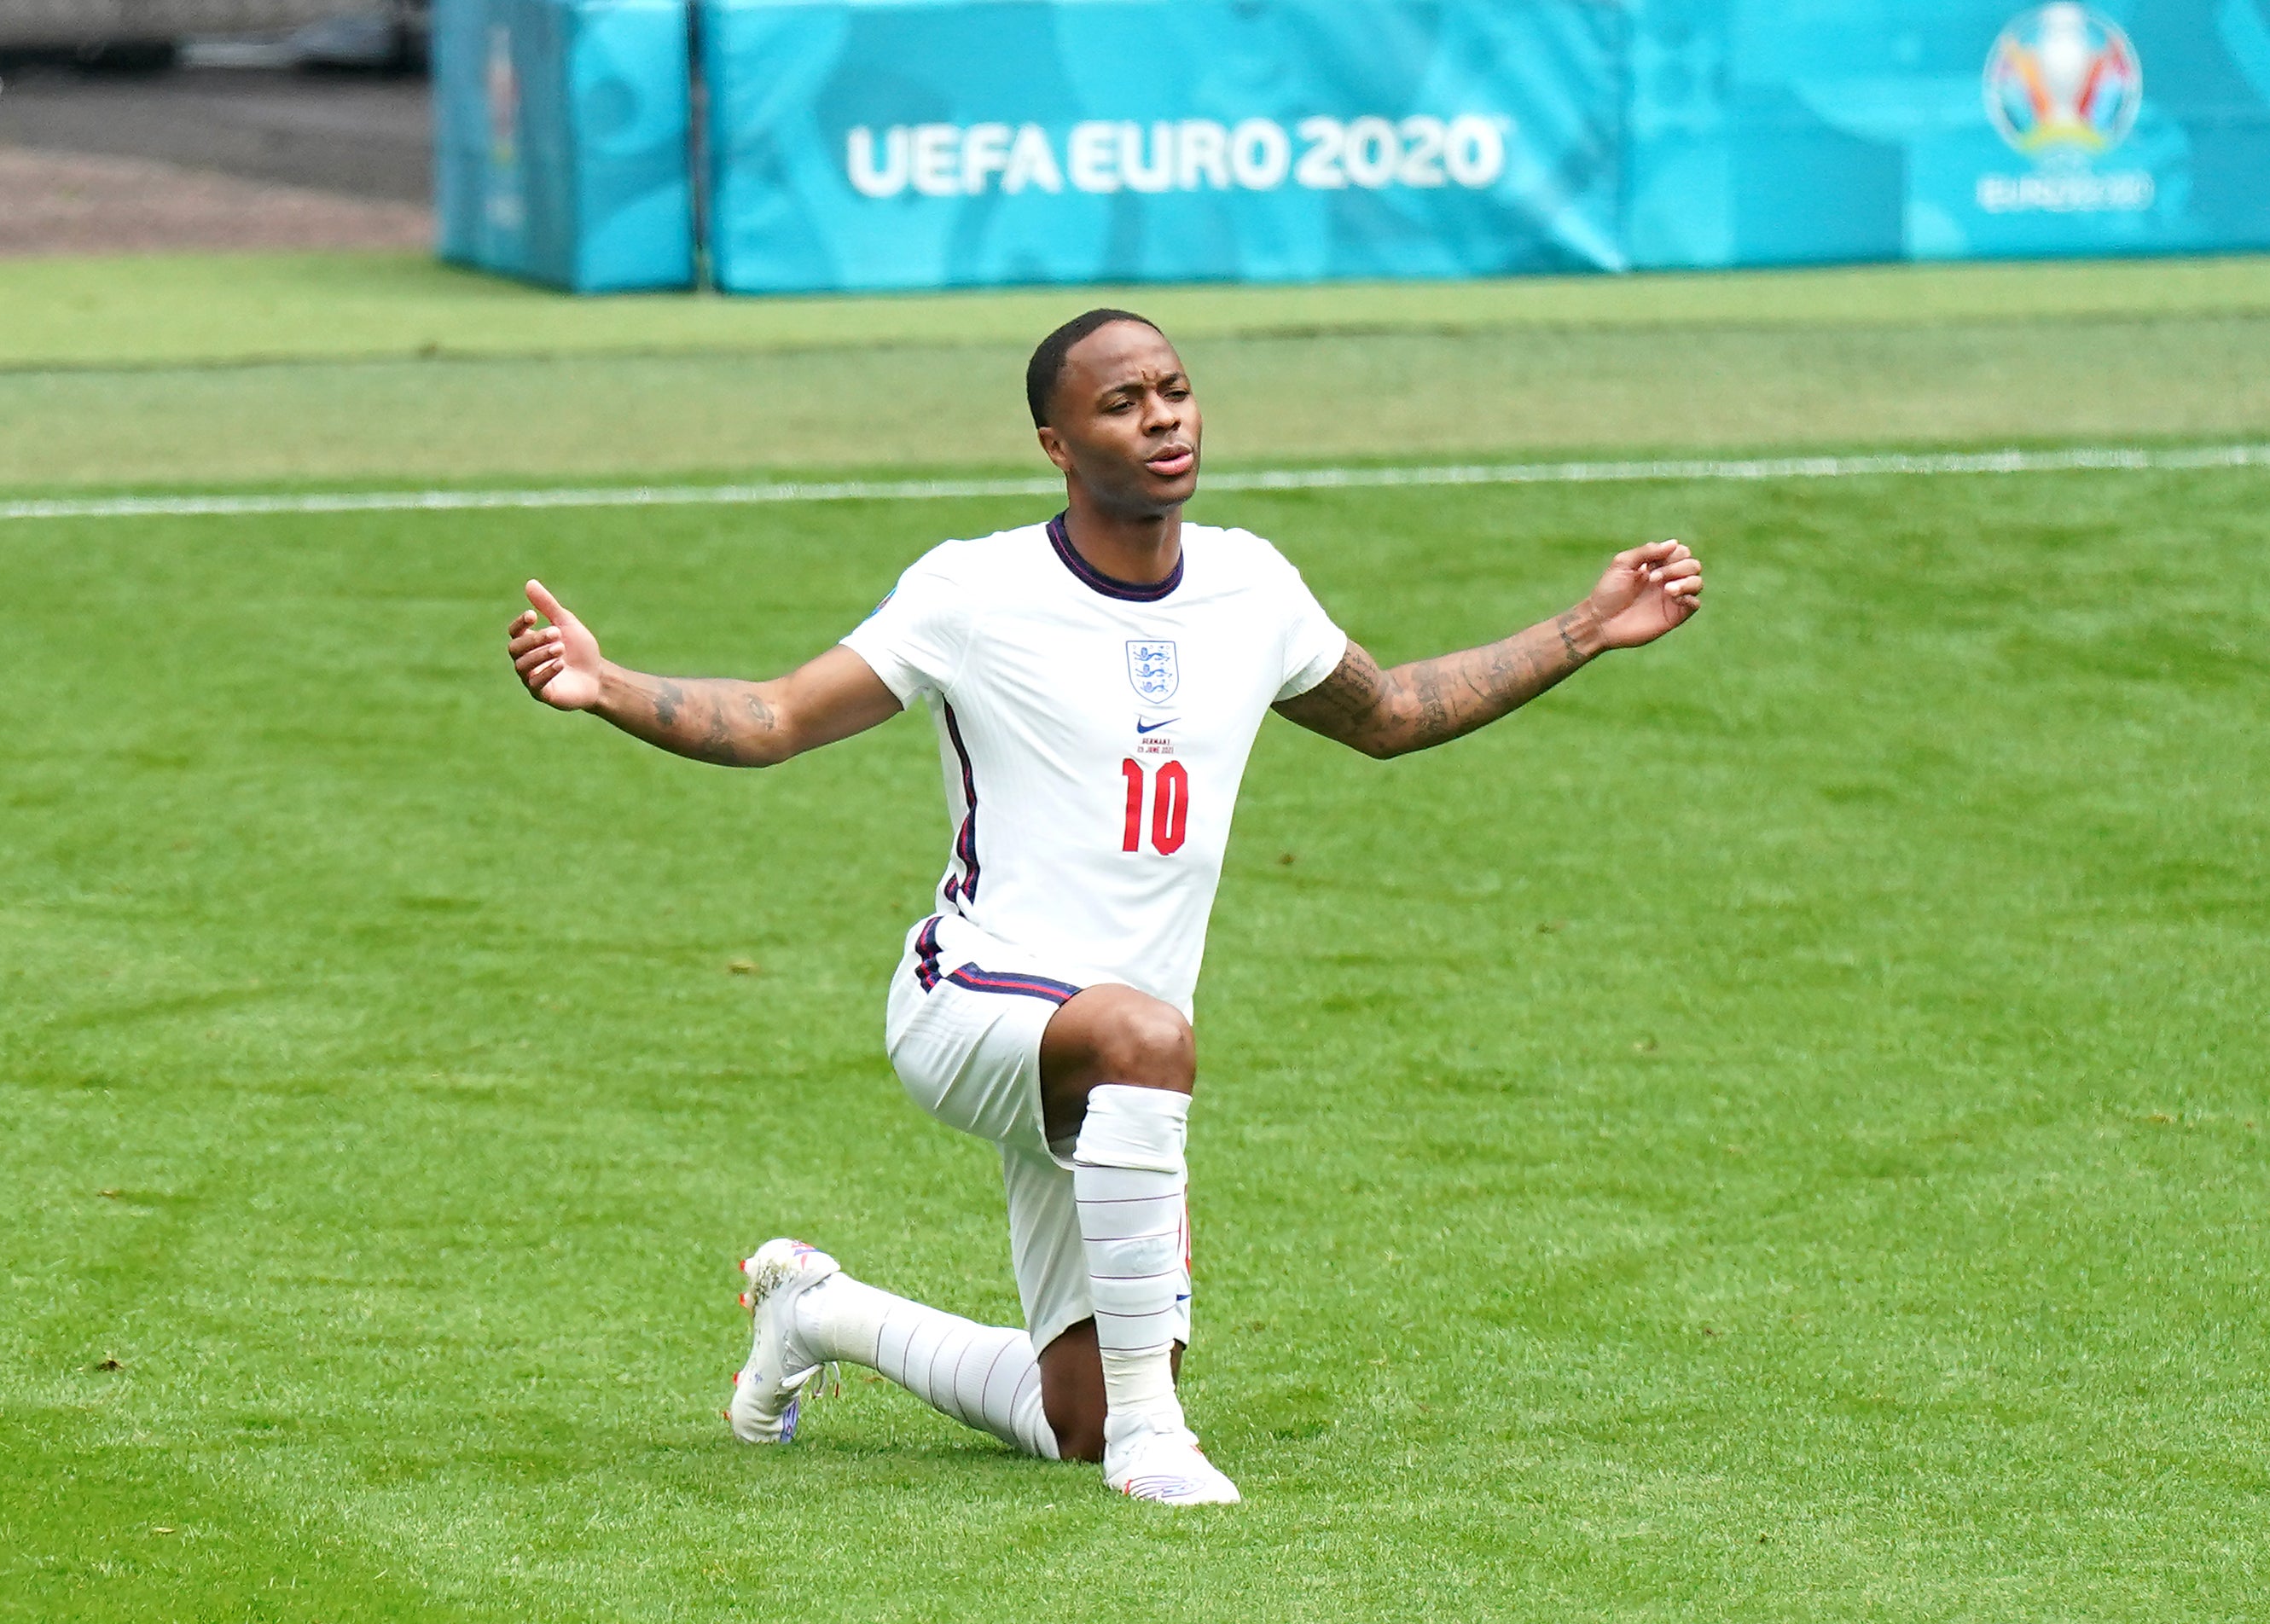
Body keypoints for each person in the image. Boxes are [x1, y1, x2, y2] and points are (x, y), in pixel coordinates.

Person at [505, 309, 1704, 1506]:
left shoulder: (1250, 582)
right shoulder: (973, 589)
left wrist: (1587, 627)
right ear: (1055, 444)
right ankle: (1155, 1438)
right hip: (971, 1000)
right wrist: (608, 687)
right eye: (1120, 403)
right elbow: (774, 716)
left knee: (1064, 1413)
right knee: (1145, 1047)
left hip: (1117, 1073)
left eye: (1173, 390)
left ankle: (820, 1312)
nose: (1162, 417)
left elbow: (1387, 710)